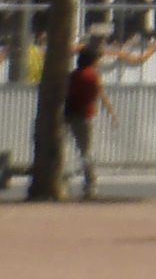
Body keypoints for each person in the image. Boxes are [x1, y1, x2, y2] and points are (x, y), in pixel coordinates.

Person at [64, 38, 112, 199]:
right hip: (84, 116)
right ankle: (90, 183)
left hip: (69, 115)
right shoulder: (92, 76)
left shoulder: (74, 75)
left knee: (69, 148)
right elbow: (100, 94)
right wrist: (111, 112)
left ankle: (66, 179)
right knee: (86, 152)